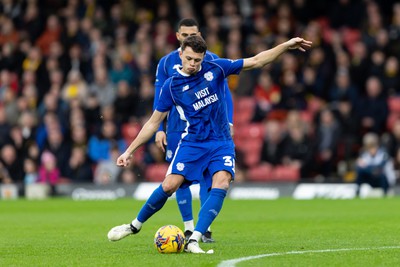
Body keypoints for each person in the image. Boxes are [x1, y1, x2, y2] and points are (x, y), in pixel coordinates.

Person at [107, 35, 312, 253]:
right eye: (189, 59)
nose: (193, 64)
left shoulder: (216, 68)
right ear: (180, 55)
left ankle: (194, 239)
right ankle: (133, 226)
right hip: (193, 142)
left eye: (197, 59)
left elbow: (257, 61)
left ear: (204, 57)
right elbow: (153, 122)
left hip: (220, 141)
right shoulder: (172, 86)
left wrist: (286, 46)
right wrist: (129, 151)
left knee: (221, 182)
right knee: (169, 185)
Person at [153, 18, 234, 243]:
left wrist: (230, 121)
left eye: (193, 34)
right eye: (184, 35)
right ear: (177, 36)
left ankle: (203, 229)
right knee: (180, 178)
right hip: (177, 127)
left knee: (211, 177)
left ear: (199, 35)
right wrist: (159, 128)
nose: (188, 38)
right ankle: (188, 227)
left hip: (207, 127)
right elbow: (159, 98)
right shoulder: (166, 62)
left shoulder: (212, 61)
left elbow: (225, 94)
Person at [355, 132, 396, 196]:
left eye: (373, 146)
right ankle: (357, 193)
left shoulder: (384, 153)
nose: (371, 149)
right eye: (369, 147)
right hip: (372, 178)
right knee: (360, 174)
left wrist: (367, 167)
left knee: (382, 175)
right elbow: (359, 168)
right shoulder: (364, 154)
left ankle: (385, 194)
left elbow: (380, 168)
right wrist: (372, 169)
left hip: (385, 180)